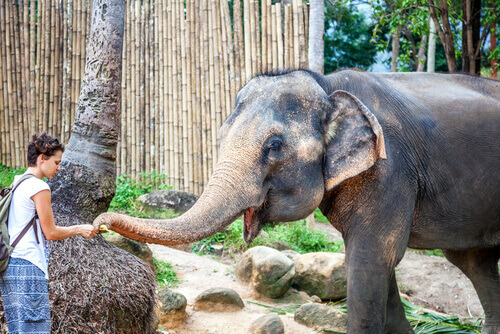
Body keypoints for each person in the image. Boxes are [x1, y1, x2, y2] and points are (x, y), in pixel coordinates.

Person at [0, 132, 97, 333]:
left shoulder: (18, 182)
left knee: (19, 329)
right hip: (28, 267)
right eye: (56, 162)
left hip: (9, 266)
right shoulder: (39, 187)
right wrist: (79, 229)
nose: (59, 168)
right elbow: (50, 232)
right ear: (42, 158)